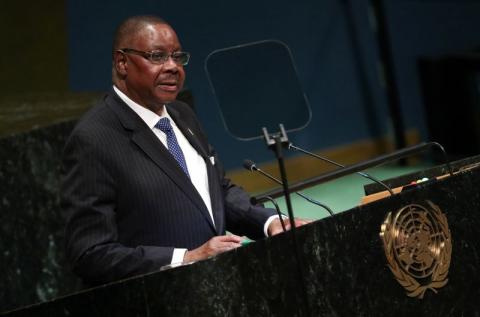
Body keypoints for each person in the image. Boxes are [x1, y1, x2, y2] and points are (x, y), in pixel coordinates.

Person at [62, 15, 307, 286]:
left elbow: (216, 191)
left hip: (219, 289)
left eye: (178, 57)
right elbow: (90, 253)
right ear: (122, 63)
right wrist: (186, 258)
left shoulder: (182, 114)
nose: (172, 67)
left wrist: (270, 221)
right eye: (157, 56)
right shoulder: (93, 139)